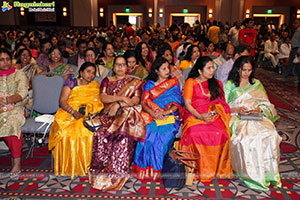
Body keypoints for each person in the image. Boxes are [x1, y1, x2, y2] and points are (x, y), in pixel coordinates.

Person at [224, 56, 282, 191]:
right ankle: (251, 175)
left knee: (270, 133)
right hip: (237, 117)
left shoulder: (256, 83)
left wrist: (259, 109)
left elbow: (266, 104)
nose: (247, 73)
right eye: (244, 70)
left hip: (256, 116)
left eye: (249, 70)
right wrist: (238, 109)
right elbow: (223, 107)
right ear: (238, 69)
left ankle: (268, 174)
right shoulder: (230, 84)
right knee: (249, 137)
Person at [89, 56, 146, 191]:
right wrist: (120, 98)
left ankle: (116, 174)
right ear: (113, 67)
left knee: (122, 137)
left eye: (123, 65)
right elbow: (103, 97)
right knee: (100, 132)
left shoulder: (134, 82)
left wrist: (119, 104)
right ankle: (100, 169)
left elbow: (135, 100)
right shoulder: (106, 81)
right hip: (108, 114)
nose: (120, 68)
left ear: (127, 67)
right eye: (117, 65)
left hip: (125, 116)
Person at [179, 56, 232, 182]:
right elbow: (187, 104)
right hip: (193, 114)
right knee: (194, 133)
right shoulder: (191, 82)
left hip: (212, 115)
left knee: (221, 133)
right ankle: (197, 169)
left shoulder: (216, 83)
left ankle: (213, 169)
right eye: (208, 68)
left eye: (213, 67)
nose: (212, 70)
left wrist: (214, 112)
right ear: (199, 71)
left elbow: (221, 103)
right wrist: (200, 116)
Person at [48, 62, 104, 179]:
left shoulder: (95, 85)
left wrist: (90, 109)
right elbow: (62, 101)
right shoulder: (71, 82)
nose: (91, 75)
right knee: (67, 133)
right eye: (88, 71)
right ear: (81, 72)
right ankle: (70, 166)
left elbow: (99, 102)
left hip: (89, 115)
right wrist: (73, 112)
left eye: (93, 73)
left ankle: (88, 166)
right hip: (69, 113)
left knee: (88, 131)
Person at [132, 57, 184, 181]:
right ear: (156, 71)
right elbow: (144, 103)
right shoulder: (149, 84)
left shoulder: (174, 83)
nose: (167, 71)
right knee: (146, 136)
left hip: (169, 117)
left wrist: (166, 112)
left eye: (168, 68)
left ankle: (157, 171)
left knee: (161, 138)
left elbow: (177, 102)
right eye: (164, 69)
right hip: (151, 116)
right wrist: (153, 113)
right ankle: (144, 171)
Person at [0, 48, 29, 175]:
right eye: (1, 60)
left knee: (11, 123)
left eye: (7, 59)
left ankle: (16, 161)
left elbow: (22, 93)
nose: (5, 62)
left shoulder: (19, 74)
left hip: (16, 107)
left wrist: (6, 100)